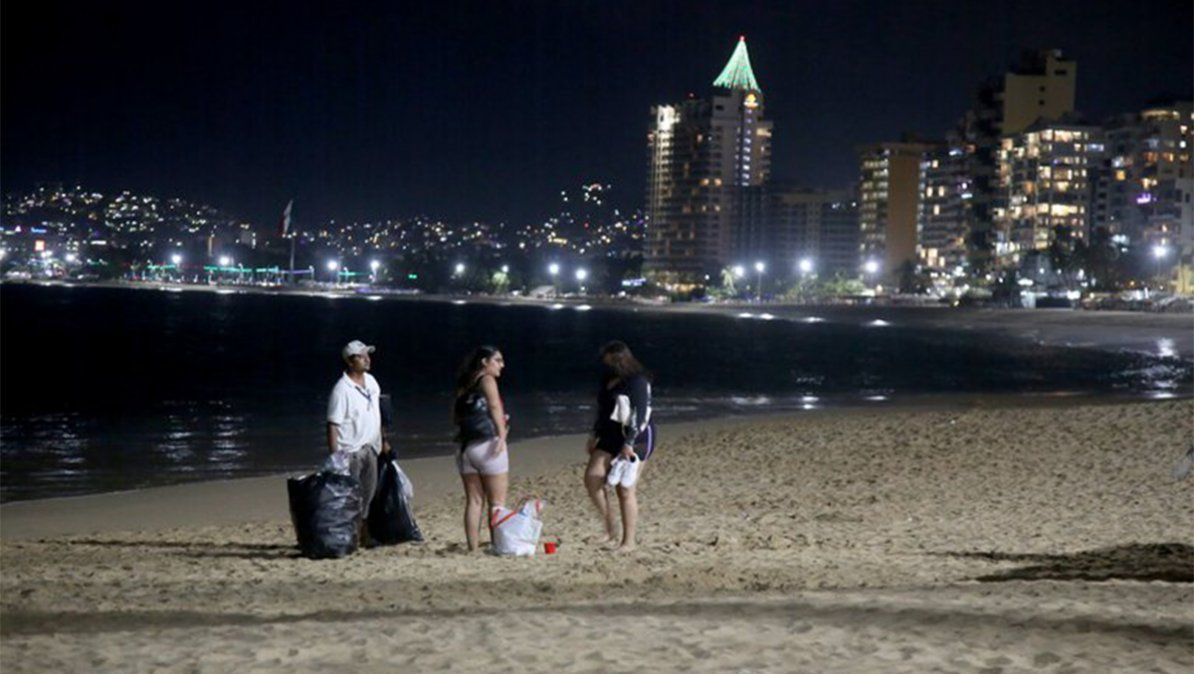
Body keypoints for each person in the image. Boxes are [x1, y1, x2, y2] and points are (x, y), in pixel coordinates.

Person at [585, 340, 656, 552]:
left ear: (621, 361)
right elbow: (603, 409)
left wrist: (629, 443)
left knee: (624, 489)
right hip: (610, 433)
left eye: (610, 362)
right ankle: (609, 529)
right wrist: (594, 435)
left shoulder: (637, 381)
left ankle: (628, 541)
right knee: (593, 477)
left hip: (639, 435)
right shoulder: (609, 379)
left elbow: (640, 413)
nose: (606, 365)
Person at [327, 340, 391, 544]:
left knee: (367, 493)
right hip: (351, 451)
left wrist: (384, 440)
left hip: (370, 448)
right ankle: (351, 534)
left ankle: (363, 532)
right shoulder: (341, 390)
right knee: (350, 495)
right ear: (350, 361)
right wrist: (336, 456)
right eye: (362, 356)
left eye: (367, 355)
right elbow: (333, 424)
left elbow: (378, 412)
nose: (367, 359)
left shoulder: (371, 381)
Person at [453, 345, 509, 552]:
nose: (502, 365)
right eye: (498, 360)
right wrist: (502, 435)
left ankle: (473, 547)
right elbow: (495, 406)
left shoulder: (465, 383)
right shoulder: (487, 380)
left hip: (465, 448)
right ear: (485, 362)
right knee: (497, 501)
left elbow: (456, 416)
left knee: (474, 501)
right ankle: (497, 544)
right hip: (487, 444)